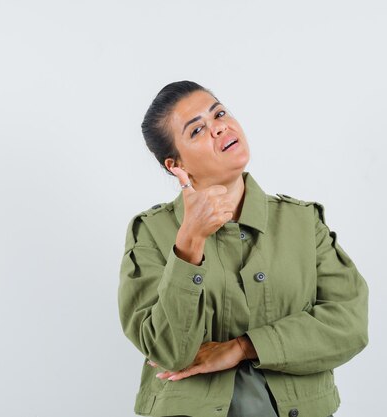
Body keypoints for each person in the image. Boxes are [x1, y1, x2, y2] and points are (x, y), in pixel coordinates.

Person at [118, 80, 369, 417]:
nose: (218, 127)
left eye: (219, 113)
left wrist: (244, 347)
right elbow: (169, 351)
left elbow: (349, 324)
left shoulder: (302, 222)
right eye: (197, 130)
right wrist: (189, 243)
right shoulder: (151, 233)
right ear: (176, 165)